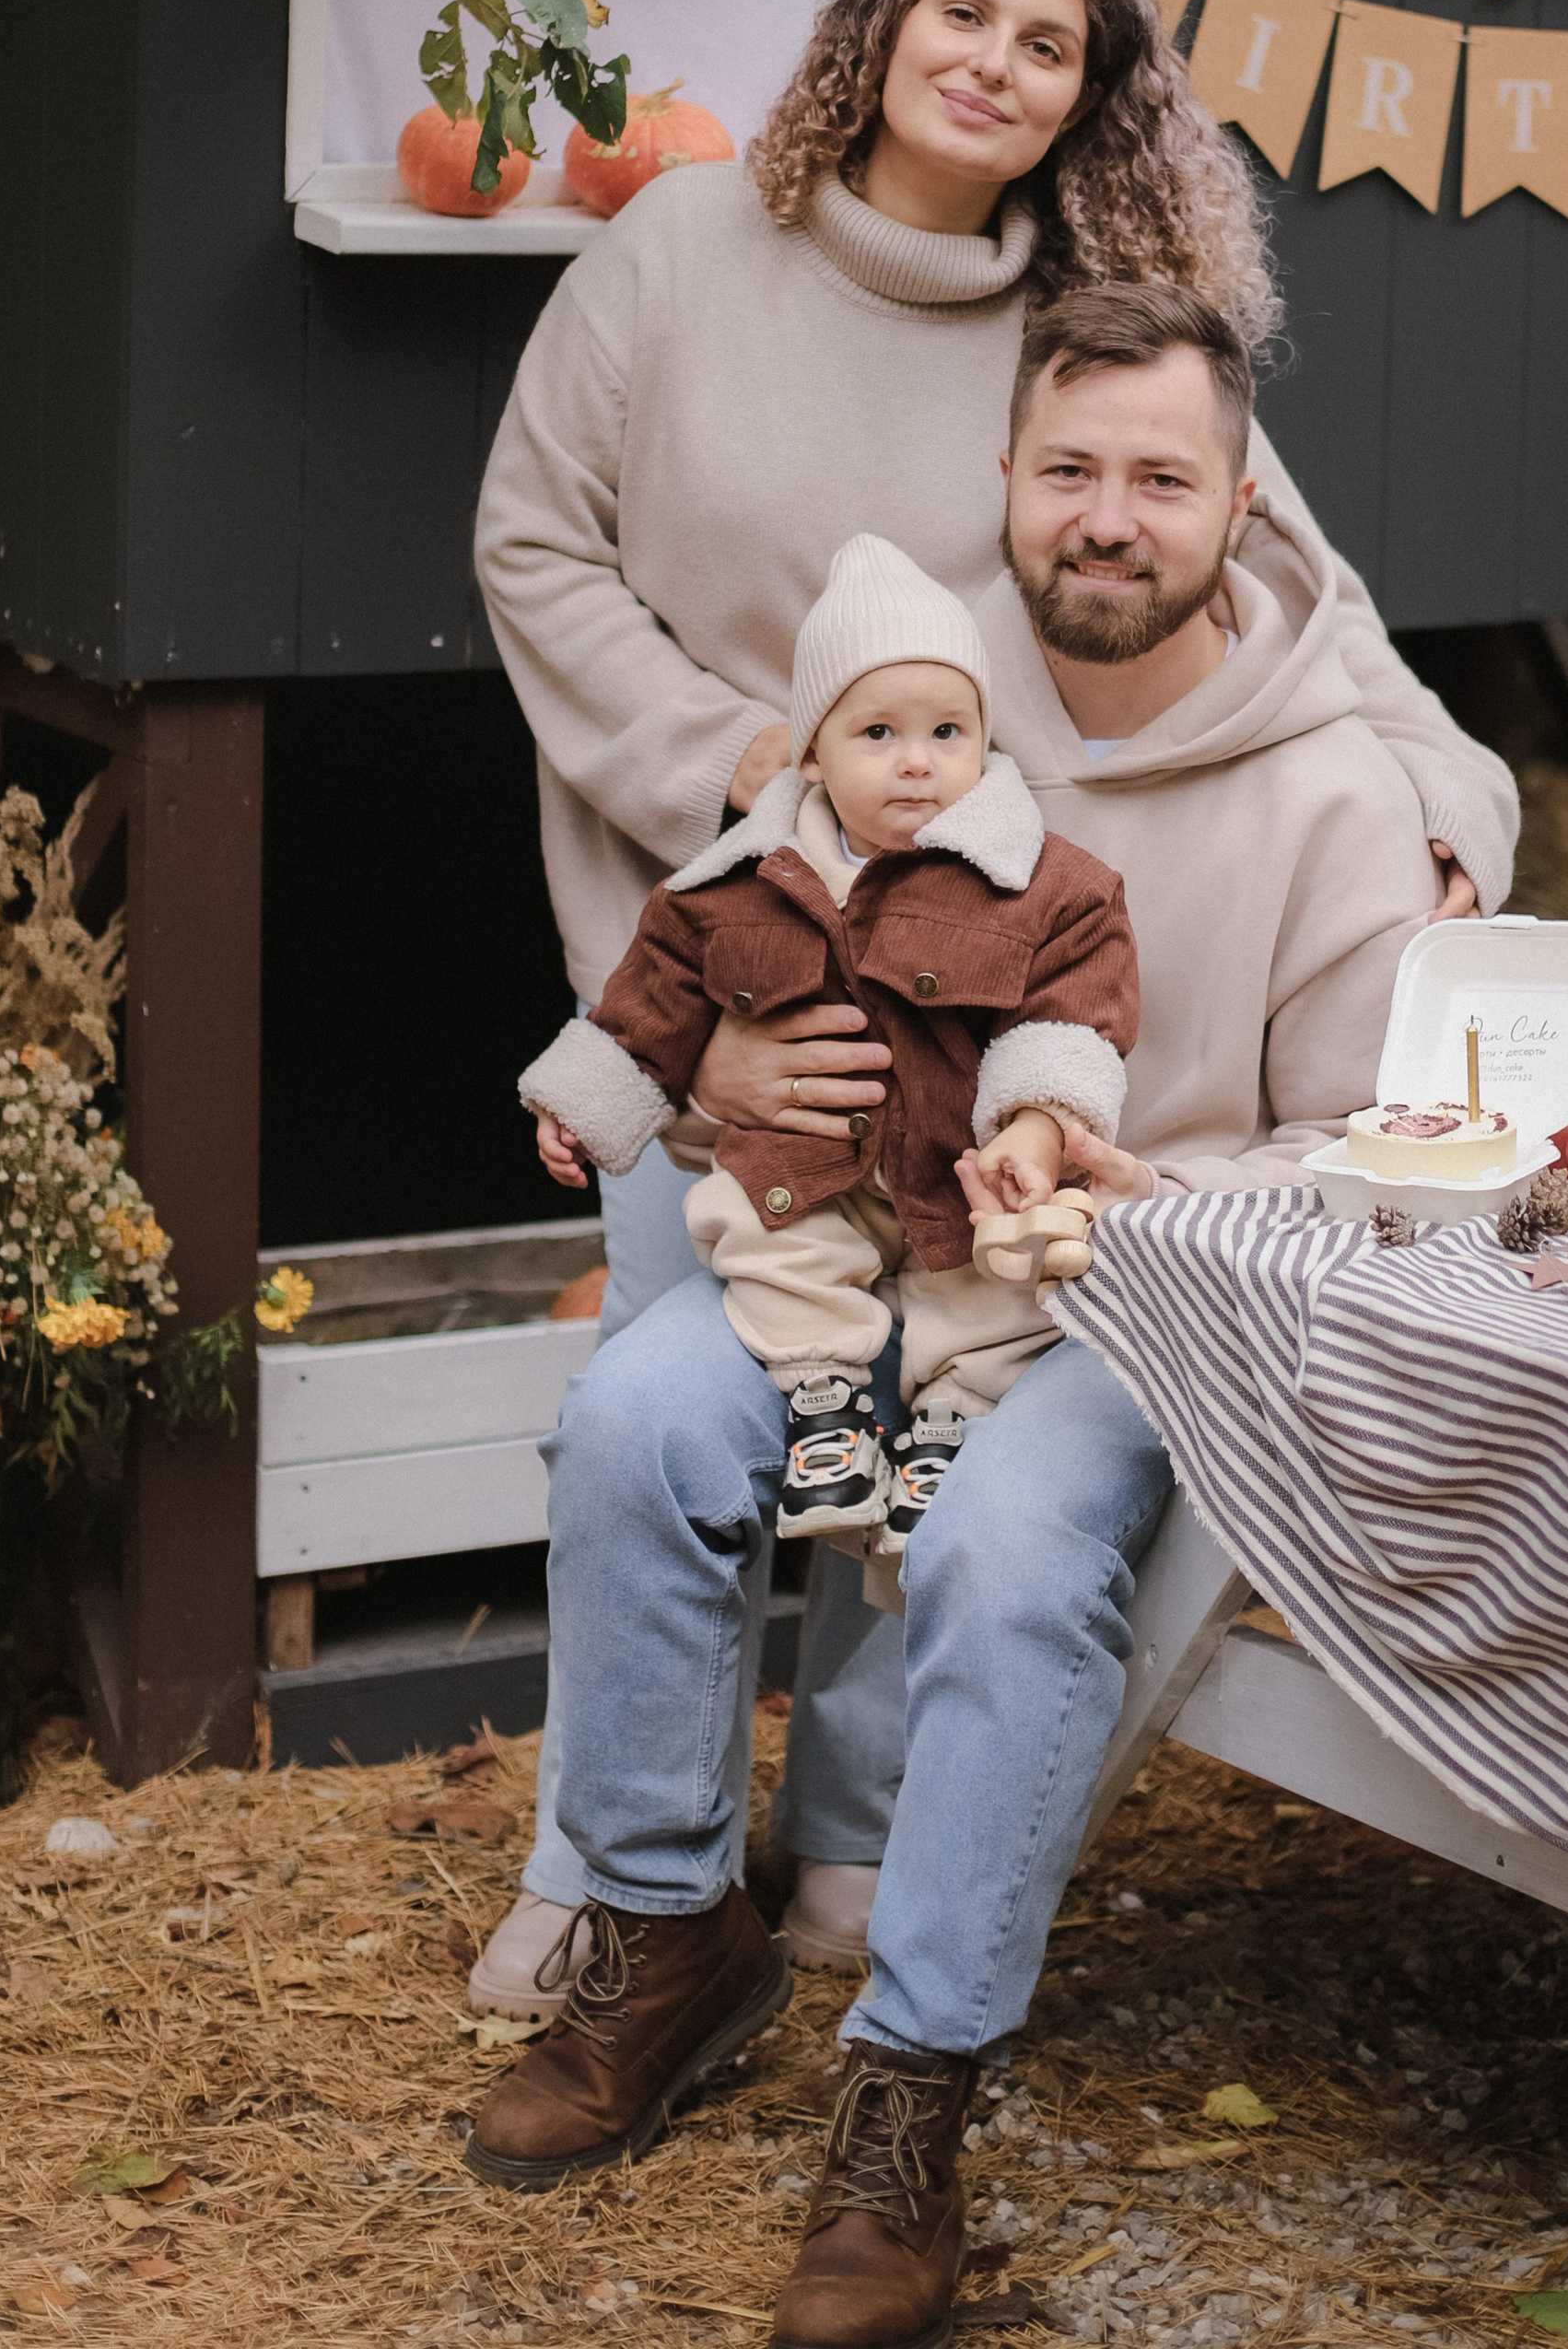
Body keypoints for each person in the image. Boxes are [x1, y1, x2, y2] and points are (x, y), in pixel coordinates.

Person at [471, 0, 1517, 2004]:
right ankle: (623, 1868)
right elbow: (531, 544)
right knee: (665, 1415)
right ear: (880, 22)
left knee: (917, 1396)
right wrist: (742, 760)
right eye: (963, 12)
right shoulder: (678, 249)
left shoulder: (1090, 322)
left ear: (1085, 104)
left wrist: (1457, 811)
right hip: (725, 960)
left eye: (1048, 46)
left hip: (954, 982)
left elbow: (1299, 589)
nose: (992, 63)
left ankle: (853, 1837)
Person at [463, 286, 1445, 2349]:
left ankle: (909, 2091)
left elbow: (1376, 1142)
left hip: (1135, 1305)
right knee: (638, 1422)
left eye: (1159, 480)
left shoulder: (1337, 792)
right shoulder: (896, 700)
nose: (1107, 518)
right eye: (1068, 470)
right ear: (1005, 483)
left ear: (1236, 505)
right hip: (857, 1248)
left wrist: (1144, 1194)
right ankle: (663, 1932)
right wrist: (722, 1077)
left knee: (1003, 1551)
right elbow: (714, 934)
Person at [517, 533, 1137, 1551]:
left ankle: (952, 1423)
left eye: (948, 730)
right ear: (810, 752)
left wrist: (1034, 1131)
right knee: (759, 1237)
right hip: (812, 1172)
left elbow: (1070, 1013)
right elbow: (652, 1002)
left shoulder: (1040, 883)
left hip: (955, 1169)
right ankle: (824, 1409)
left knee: (991, 1279)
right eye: (878, 733)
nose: (917, 760)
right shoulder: (732, 886)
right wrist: (579, 1103)